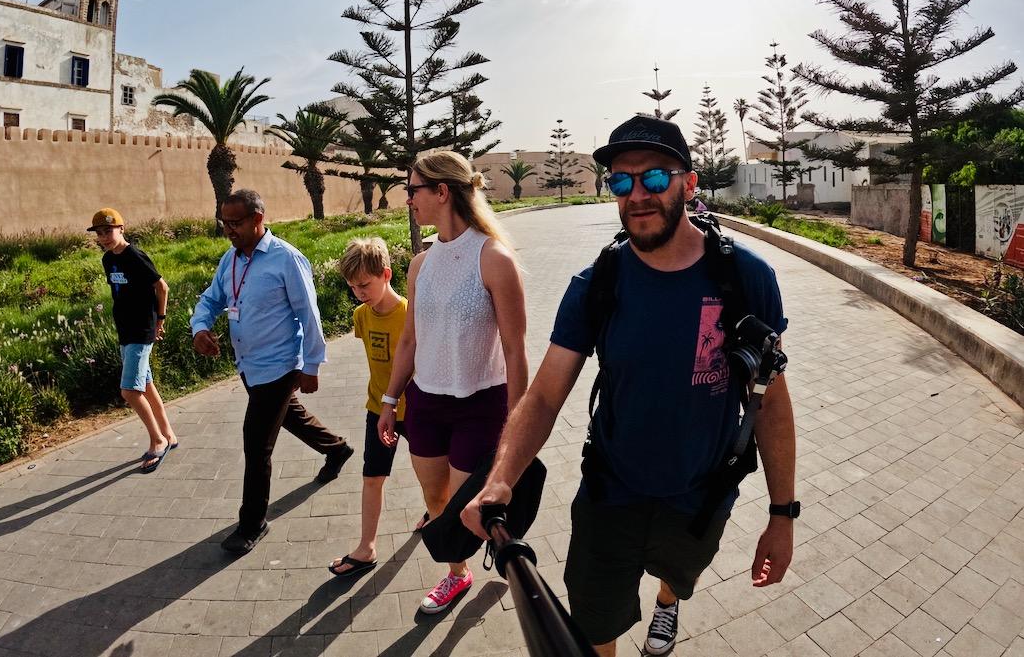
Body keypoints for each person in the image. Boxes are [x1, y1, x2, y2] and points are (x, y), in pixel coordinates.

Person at [461, 116, 797, 657]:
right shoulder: (597, 285)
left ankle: (667, 602)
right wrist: (501, 480)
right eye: (621, 181)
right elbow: (545, 396)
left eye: (656, 179)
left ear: (689, 184)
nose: (638, 194)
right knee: (594, 628)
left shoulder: (746, 279)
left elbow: (772, 404)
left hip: (701, 496)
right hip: (609, 495)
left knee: (677, 577)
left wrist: (782, 516)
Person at [376, 151, 529, 614]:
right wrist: (389, 399)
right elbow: (408, 343)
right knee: (435, 498)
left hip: (480, 405)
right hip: (425, 405)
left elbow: (515, 350)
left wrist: (517, 428)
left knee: (469, 504)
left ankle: (490, 548)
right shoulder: (421, 264)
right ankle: (458, 575)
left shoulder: (494, 258)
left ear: (442, 192)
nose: (408, 200)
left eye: (413, 189)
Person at [190, 189, 353, 554]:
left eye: (236, 222)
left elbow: (308, 314)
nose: (228, 230)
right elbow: (211, 299)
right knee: (288, 416)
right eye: (224, 223)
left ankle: (252, 524)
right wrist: (200, 327)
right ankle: (337, 449)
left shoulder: (286, 260)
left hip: (280, 366)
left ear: (258, 219)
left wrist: (311, 366)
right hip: (248, 364)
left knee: (256, 442)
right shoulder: (229, 260)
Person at [327, 237, 421, 577]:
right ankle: (366, 548)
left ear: (386, 274)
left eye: (365, 284)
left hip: (417, 411)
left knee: (432, 480)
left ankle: (436, 517)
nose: (359, 292)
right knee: (372, 477)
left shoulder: (412, 313)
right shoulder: (361, 316)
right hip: (378, 410)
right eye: (352, 287)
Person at [90, 207, 178, 474]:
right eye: (100, 233)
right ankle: (169, 434)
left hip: (142, 332)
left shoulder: (135, 256)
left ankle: (157, 440)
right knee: (146, 385)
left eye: (109, 231)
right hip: (125, 331)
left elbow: (161, 287)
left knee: (129, 390)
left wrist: (160, 320)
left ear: (121, 229)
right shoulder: (108, 260)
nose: (104, 237)